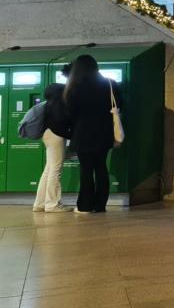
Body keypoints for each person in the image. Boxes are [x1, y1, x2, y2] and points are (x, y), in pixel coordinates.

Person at [64, 55, 122, 214]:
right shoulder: (110, 84)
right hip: (104, 134)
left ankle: (85, 206)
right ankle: (100, 205)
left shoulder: (75, 87)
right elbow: (119, 106)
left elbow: (69, 113)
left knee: (86, 169)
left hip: (82, 134)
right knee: (101, 168)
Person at [33, 66, 73, 213]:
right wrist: (72, 135)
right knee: (56, 170)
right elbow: (59, 125)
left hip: (47, 136)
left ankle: (40, 203)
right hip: (56, 136)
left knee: (48, 169)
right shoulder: (58, 104)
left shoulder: (48, 104)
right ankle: (52, 204)